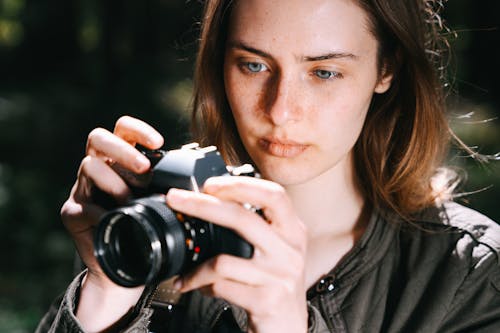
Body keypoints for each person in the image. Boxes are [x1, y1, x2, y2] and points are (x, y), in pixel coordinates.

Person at [37, 0, 500, 332]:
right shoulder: (159, 236)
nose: (280, 111)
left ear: (386, 69)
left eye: (324, 72)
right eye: (254, 65)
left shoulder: (471, 278)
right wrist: (106, 296)